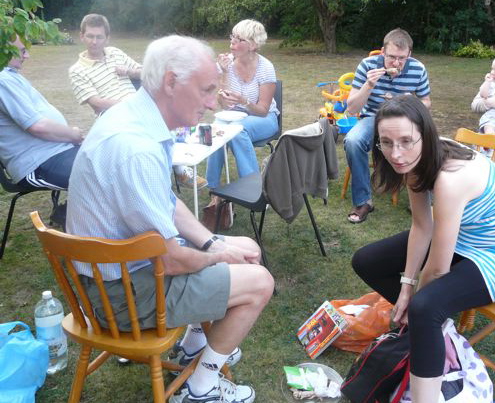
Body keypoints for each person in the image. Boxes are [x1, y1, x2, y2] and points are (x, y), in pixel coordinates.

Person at [66, 35, 274, 403]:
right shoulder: (137, 149)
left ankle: (194, 346)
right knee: (259, 281)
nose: (213, 103)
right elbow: (171, 260)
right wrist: (216, 256)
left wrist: (214, 242)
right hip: (121, 298)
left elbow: (165, 201)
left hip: (108, 278)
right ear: (171, 82)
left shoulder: (132, 116)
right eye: (207, 90)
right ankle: (201, 387)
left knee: (245, 247)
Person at [352, 95, 494, 402]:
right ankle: (436, 330)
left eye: (405, 141)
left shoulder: (449, 179)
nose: (396, 154)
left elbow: (439, 268)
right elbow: (422, 226)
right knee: (367, 261)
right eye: (386, 143)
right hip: (462, 234)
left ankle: (424, 395)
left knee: (425, 306)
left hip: (489, 250)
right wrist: (405, 288)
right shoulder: (417, 159)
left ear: (424, 135)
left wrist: (415, 298)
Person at [69, 13, 205, 189]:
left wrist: (128, 71)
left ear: (107, 38)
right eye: (90, 36)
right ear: (82, 36)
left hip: (140, 109)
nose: (94, 41)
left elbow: (145, 73)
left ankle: (176, 165)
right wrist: (132, 105)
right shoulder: (77, 70)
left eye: (99, 37)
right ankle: (177, 171)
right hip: (112, 118)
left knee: (174, 122)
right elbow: (96, 103)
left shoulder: (115, 53)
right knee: (155, 130)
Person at [345, 28, 431, 224]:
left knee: (427, 141)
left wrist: (413, 102)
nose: (396, 63)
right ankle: (363, 201)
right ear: (382, 52)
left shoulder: (418, 69)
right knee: (353, 141)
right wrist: (368, 85)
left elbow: (426, 102)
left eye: (402, 58)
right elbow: (351, 108)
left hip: (404, 119)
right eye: (391, 57)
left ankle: (421, 196)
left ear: (409, 54)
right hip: (373, 117)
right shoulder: (367, 66)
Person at [204, 19, 279, 217]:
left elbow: (263, 110)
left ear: (253, 45)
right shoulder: (227, 62)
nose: (232, 43)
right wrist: (224, 73)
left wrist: (244, 101)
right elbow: (223, 104)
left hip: (264, 118)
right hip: (235, 117)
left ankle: (255, 189)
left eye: (239, 39)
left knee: (237, 131)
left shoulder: (266, 67)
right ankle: (214, 190)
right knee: (217, 129)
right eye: (232, 37)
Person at [0, 35, 83, 191]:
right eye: (22, 51)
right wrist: (73, 134)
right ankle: (72, 213)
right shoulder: (2, 79)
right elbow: (37, 126)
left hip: (57, 151)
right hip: (38, 162)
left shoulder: (10, 75)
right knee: (100, 176)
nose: (27, 56)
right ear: (5, 50)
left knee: (110, 162)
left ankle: (68, 211)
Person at [471, 59, 495, 156]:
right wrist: (487, 82)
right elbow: (482, 95)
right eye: (492, 69)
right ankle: (489, 139)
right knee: (488, 123)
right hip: (492, 114)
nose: (493, 72)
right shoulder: (492, 84)